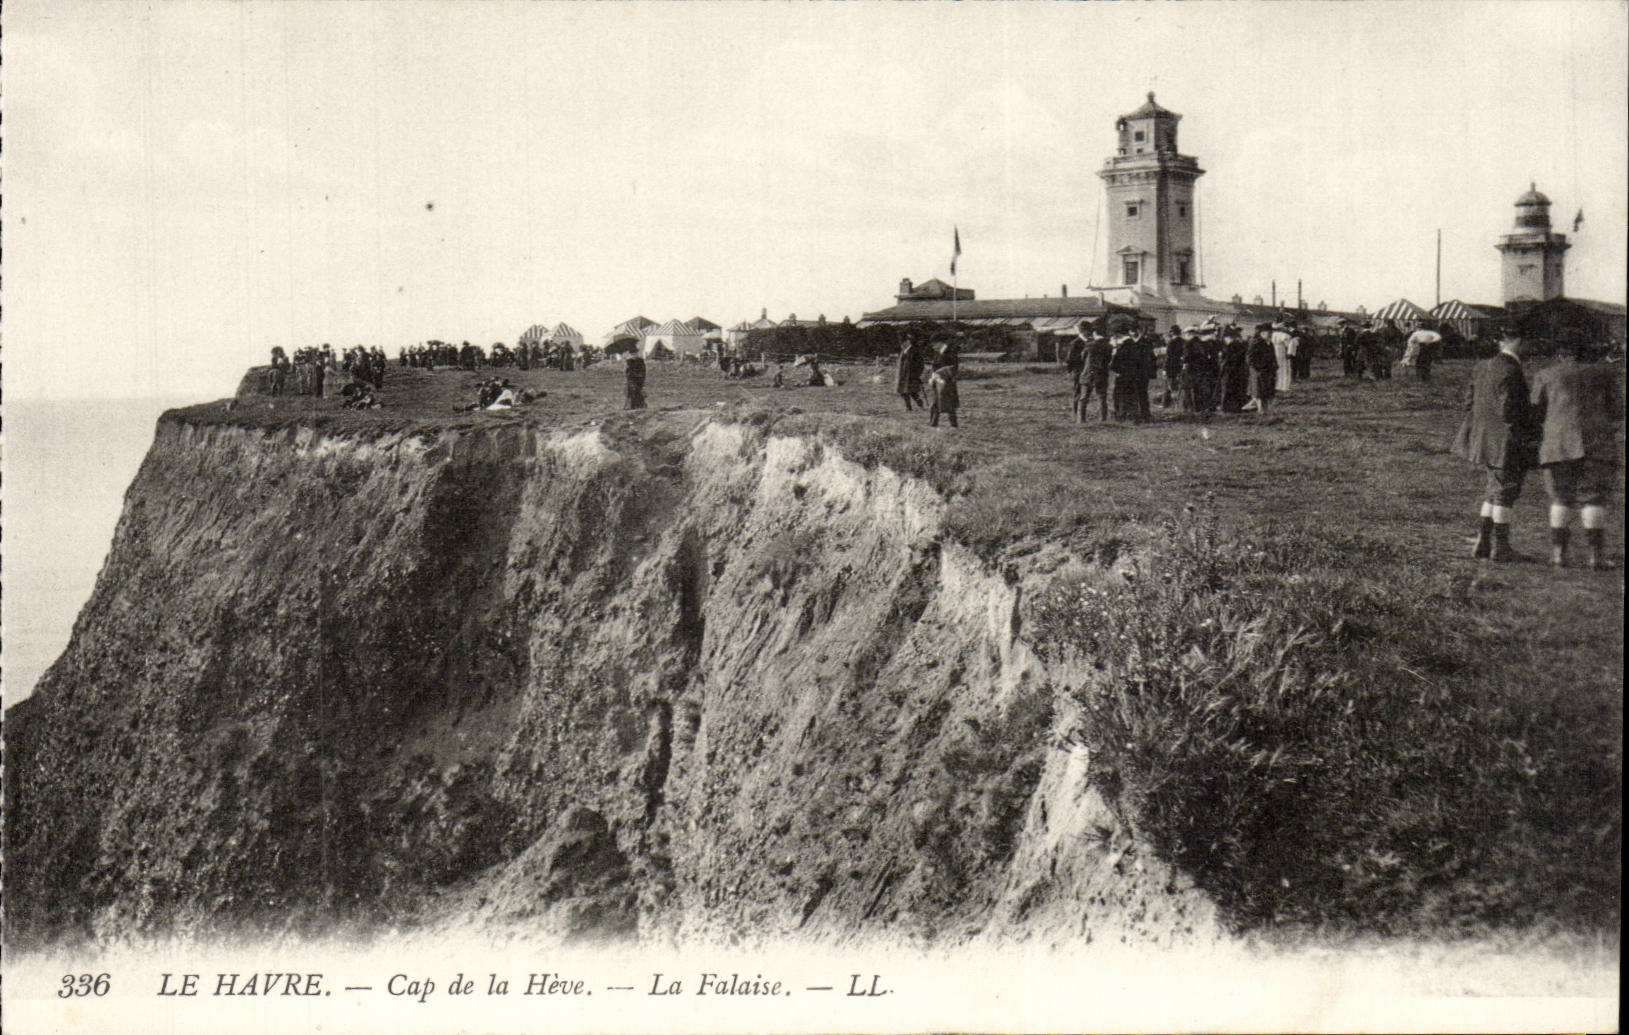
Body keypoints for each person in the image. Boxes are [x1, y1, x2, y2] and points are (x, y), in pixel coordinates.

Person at [1530, 340, 1622, 568]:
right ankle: (1595, 556)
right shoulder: (1605, 373)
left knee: (1560, 498)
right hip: (1597, 444)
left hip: (1558, 444)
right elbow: (1619, 411)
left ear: (1562, 353)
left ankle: (1559, 554)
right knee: (1594, 498)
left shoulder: (1545, 375)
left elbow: (1535, 410)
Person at [1453, 327, 1541, 561]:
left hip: (1484, 440)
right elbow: (1511, 412)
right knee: (1505, 493)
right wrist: (1533, 426)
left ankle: (1483, 542)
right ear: (1518, 341)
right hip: (1506, 441)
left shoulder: (1483, 366)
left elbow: (1468, 402)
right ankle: (1501, 548)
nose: (1531, 348)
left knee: (1493, 491)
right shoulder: (1511, 370)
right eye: (1529, 342)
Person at [1077, 332, 1112, 422]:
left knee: (1083, 398)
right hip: (1101, 374)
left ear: (1094, 333)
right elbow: (1108, 360)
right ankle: (1102, 419)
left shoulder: (1089, 346)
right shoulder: (1108, 346)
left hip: (1088, 373)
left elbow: (1082, 358)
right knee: (1102, 397)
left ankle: (1081, 420)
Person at [1246, 328, 1279, 415]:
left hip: (1269, 370)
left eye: (1271, 333)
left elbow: (1273, 355)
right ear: (1262, 333)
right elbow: (1250, 358)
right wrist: (1257, 368)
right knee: (1259, 390)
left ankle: (1268, 408)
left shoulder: (1270, 343)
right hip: (1258, 370)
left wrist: (1275, 365)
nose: (1270, 335)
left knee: (1268, 389)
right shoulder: (1256, 343)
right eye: (1268, 333)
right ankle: (1260, 409)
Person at [927, 348, 959, 428]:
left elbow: (953, 369)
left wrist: (944, 377)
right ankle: (933, 424)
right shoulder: (937, 353)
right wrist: (932, 377)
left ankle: (953, 425)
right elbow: (933, 368)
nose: (934, 346)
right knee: (935, 402)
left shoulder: (950, 353)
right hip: (937, 381)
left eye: (935, 343)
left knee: (949, 404)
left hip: (947, 382)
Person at [895, 336, 925, 410]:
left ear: (908, 342)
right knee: (903, 391)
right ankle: (908, 407)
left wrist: (917, 374)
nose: (902, 345)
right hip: (903, 375)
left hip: (912, 375)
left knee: (913, 392)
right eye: (901, 344)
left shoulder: (915, 351)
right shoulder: (903, 352)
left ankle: (920, 405)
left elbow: (921, 364)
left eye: (903, 343)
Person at [1162, 327, 1186, 409]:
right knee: (1179, 385)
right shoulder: (1184, 342)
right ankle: (1178, 403)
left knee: (1169, 386)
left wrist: (1164, 369)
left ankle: (1166, 404)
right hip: (1180, 366)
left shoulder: (1171, 342)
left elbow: (1168, 356)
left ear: (1172, 333)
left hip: (1171, 366)